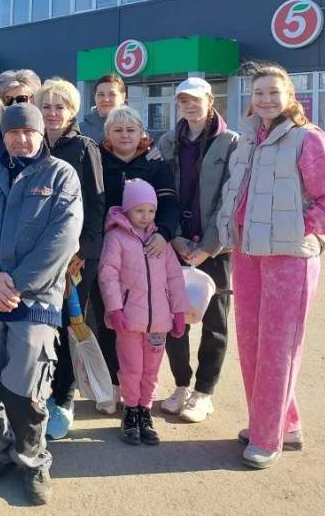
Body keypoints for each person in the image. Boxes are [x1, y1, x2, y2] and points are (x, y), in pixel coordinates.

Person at [216, 63, 325, 469]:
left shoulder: (307, 139)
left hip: (289, 258)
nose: (266, 99)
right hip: (247, 252)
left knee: (278, 349)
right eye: (259, 92)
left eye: (274, 92)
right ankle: (284, 424)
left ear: (290, 96)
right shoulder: (247, 140)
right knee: (252, 344)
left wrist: (302, 228)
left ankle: (266, 436)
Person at [0, 103, 83, 505]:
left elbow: (63, 238)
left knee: (25, 392)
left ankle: (32, 459)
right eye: (13, 133)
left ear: (41, 135)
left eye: (29, 132)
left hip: (34, 300)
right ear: (4, 136)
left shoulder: (61, 175)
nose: (21, 140)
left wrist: (14, 287)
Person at [156, 78, 239, 423]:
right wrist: (174, 237)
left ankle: (204, 392)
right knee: (175, 318)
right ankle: (181, 385)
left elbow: (230, 199)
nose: (190, 106)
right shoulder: (167, 141)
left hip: (215, 247)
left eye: (196, 99)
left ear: (210, 100)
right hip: (176, 243)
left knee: (214, 321)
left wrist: (208, 247)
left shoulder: (231, 142)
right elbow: (161, 193)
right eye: (183, 101)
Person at [93, 106, 180, 413]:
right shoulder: (97, 160)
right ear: (108, 134)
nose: (125, 136)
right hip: (108, 250)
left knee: (145, 322)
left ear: (141, 133)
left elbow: (170, 204)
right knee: (108, 317)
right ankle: (114, 384)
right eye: (117, 130)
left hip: (146, 252)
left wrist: (164, 234)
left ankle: (142, 392)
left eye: (131, 130)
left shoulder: (154, 163)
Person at [36, 78, 105, 438]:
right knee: (39, 327)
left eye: (59, 107)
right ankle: (39, 391)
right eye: (46, 106)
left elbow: (97, 203)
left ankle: (63, 396)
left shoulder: (83, 147)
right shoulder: (32, 144)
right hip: (37, 257)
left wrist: (83, 252)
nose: (52, 113)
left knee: (67, 327)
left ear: (72, 110)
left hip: (74, 260)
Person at [99, 179, 188, 446]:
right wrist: (115, 308)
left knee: (151, 371)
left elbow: (175, 278)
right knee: (132, 369)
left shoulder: (161, 242)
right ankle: (130, 410)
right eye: (139, 210)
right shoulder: (116, 238)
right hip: (129, 320)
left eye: (151, 210)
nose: (145, 216)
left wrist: (179, 312)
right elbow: (108, 274)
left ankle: (145, 410)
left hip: (159, 322)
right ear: (127, 210)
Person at [79, 73, 126, 143]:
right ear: (95, 97)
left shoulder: (134, 128)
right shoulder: (81, 131)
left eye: (112, 94)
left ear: (123, 97)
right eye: (101, 94)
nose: (106, 99)